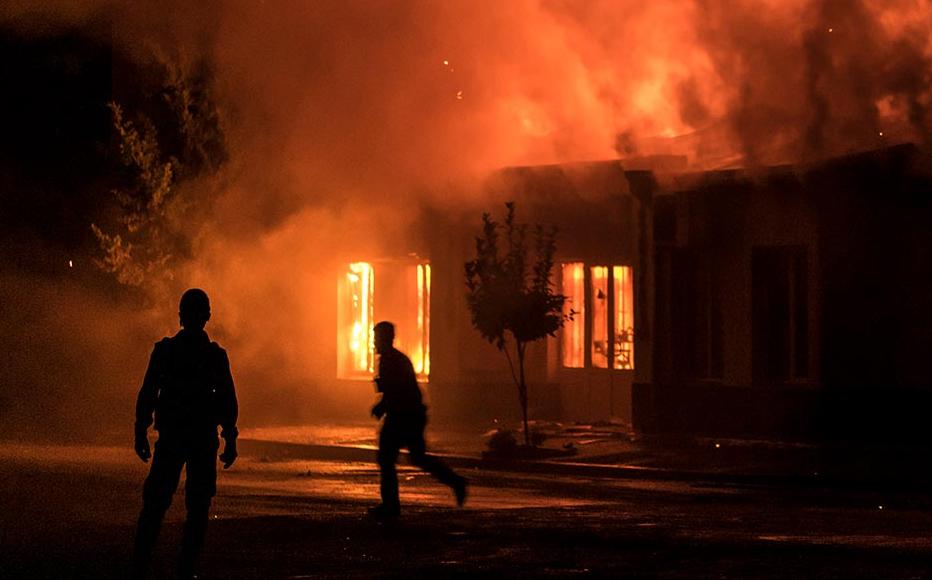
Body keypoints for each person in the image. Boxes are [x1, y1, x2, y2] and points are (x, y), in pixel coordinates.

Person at [131, 288, 239, 580]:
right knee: (196, 506)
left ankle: (142, 562)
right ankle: (184, 567)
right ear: (208, 316)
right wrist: (230, 437)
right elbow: (227, 399)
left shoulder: (166, 351)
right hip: (200, 438)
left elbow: (149, 392)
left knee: (158, 502)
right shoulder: (213, 356)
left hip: (175, 437)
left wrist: (141, 429)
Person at [369, 320, 467, 519]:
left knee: (387, 459)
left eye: (377, 337)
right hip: (408, 415)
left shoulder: (392, 360)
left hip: (404, 416)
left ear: (386, 338)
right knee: (415, 457)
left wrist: (382, 406)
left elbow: (397, 391)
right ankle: (455, 482)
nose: (374, 342)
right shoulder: (393, 359)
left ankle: (391, 508)